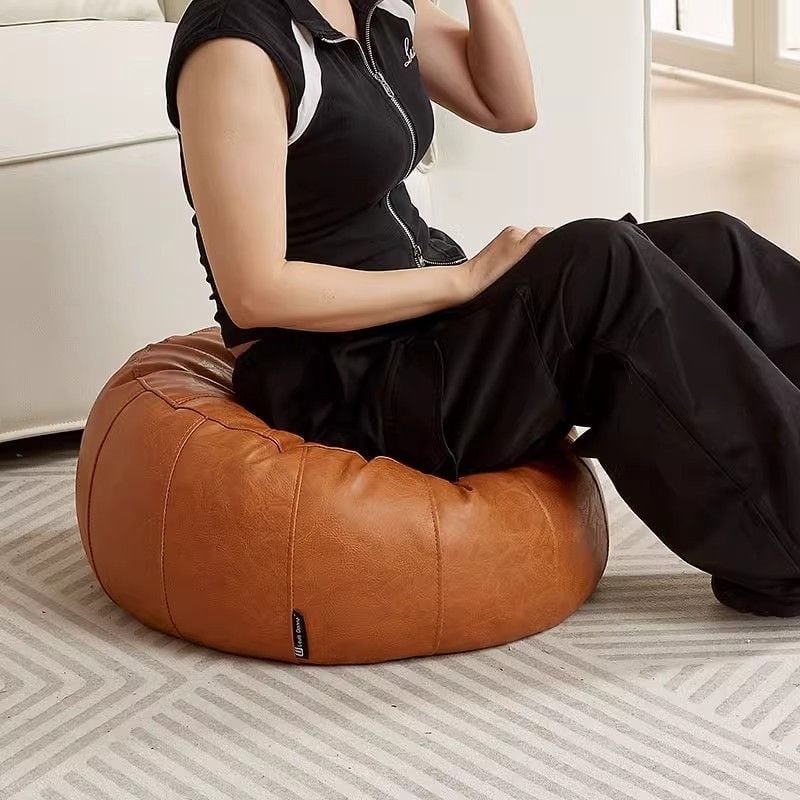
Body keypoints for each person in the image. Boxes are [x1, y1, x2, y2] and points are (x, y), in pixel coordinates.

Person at [164, 0, 800, 617]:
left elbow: (509, 106)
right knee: (601, 261)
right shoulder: (237, 43)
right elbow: (256, 291)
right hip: (349, 381)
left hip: (423, 329)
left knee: (715, 246)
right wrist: (462, 282)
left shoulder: (373, 7)